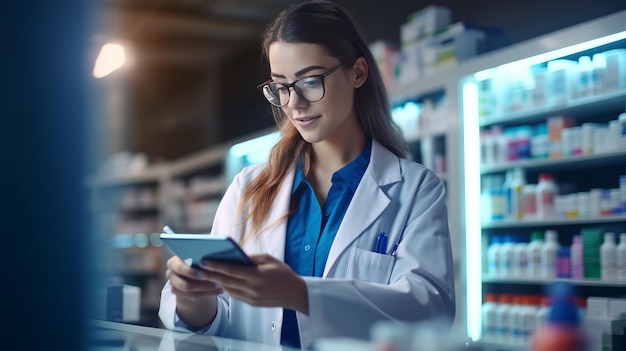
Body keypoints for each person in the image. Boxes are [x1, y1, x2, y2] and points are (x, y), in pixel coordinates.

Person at [158, 0, 455, 349]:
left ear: (358, 72)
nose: (294, 103)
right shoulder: (248, 188)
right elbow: (221, 319)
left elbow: (431, 310)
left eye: (310, 81)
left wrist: (302, 294)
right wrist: (194, 299)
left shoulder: (416, 189)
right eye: (281, 87)